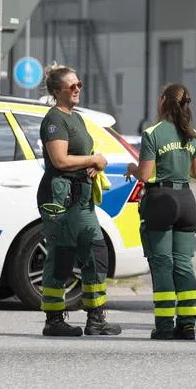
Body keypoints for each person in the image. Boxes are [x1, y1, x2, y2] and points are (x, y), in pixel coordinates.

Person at [37, 65, 122, 337]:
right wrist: (92, 159)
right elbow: (60, 160)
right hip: (61, 196)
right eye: (71, 86)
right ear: (56, 91)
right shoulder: (54, 120)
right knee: (65, 254)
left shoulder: (77, 118)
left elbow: (82, 153)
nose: (77, 89)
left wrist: (95, 163)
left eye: (79, 84)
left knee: (91, 253)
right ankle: (55, 320)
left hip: (80, 196)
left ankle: (95, 318)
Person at [125, 83, 196, 340]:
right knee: (183, 264)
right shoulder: (192, 134)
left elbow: (144, 174)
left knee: (162, 264)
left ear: (163, 101)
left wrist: (131, 168)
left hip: (161, 201)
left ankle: (165, 325)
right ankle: (188, 324)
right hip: (187, 201)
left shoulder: (153, 133)